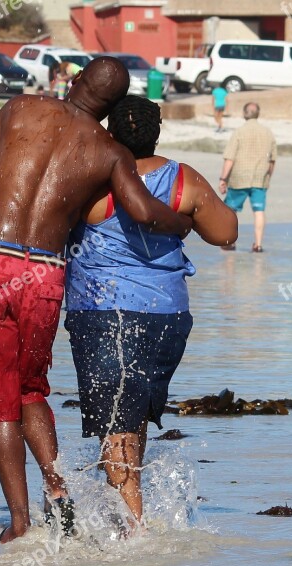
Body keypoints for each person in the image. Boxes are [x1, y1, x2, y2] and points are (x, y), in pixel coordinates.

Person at [0, 57, 193, 547]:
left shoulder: (21, 108)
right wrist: (182, 223)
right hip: (45, 273)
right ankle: (56, 488)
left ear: (75, 81)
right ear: (112, 107)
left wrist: (16, 185)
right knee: (30, 387)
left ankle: (20, 525)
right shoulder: (108, 151)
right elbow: (144, 212)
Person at [65, 95, 237, 528]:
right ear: (157, 132)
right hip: (168, 317)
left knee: (117, 423)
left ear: (109, 132)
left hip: (106, 314)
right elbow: (226, 232)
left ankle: (131, 535)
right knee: (132, 415)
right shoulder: (183, 179)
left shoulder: (95, 180)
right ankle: (129, 517)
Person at [218, 102, 276, 253]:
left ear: (245, 113)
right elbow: (272, 160)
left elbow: (229, 158)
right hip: (260, 177)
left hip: (239, 177)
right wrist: (268, 177)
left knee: (231, 210)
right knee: (259, 211)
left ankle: (229, 242)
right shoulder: (268, 132)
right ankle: (258, 244)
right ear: (258, 114)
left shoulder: (239, 132)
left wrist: (223, 178)